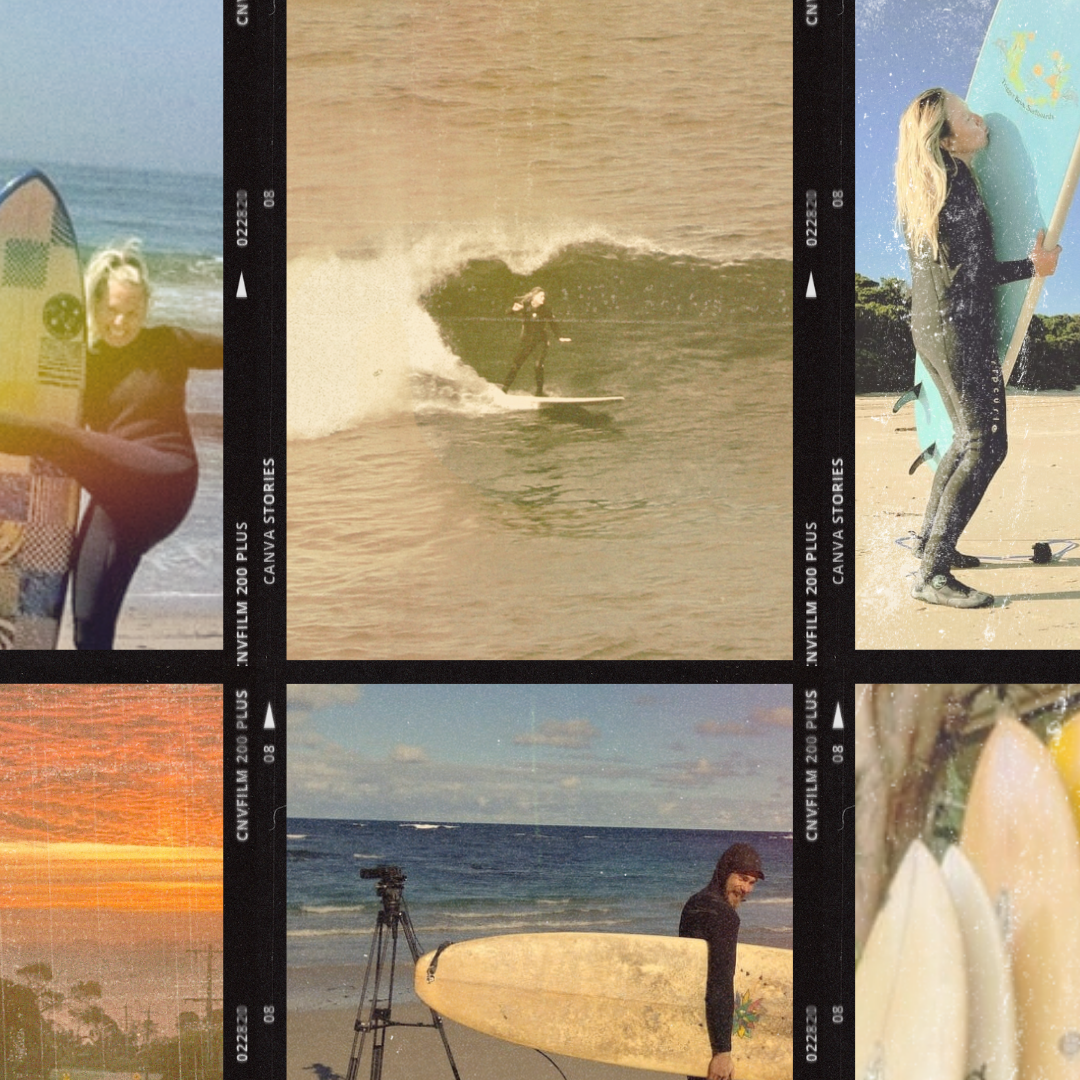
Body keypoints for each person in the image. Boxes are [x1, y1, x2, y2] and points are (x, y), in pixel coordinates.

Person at [0, 242, 223, 648]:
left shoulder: (169, 342)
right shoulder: (81, 363)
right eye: (111, 310)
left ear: (147, 307)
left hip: (165, 479)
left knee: (53, 438)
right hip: (116, 495)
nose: (121, 322)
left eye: (133, 312)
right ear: (95, 302)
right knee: (88, 625)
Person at [895, 88, 1061, 609]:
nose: (980, 119)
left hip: (933, 326)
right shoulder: (957, 180)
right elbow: (975, 274)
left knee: (965, 441)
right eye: (967, 117)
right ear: (947, 137)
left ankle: (932, 545)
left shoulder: (929, 184)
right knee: (987, 443)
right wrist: (1033, 268)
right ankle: (933, 572)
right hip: (958, 326)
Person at [679, 842, 765, 1080]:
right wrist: (722, 1052)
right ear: (725, 872)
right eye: (742, 878)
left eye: (752, 883)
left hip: (692, 1025)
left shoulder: (693, 903)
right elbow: (720, 982)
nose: (746, 889)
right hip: (713, 1035)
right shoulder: (725, 916)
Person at [501, 286, 568, 395]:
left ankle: (539, 392)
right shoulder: (525, 306)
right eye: (541, 296)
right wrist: (513, 310)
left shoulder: (546, 309)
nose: (543, 298)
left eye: (544, 297)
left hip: (541, 341)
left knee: (538, 365)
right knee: (516, 365)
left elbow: (553, 324)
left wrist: (559, 336)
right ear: (534, 297)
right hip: (527, 341)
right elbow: (508, 313)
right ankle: (504, 389)